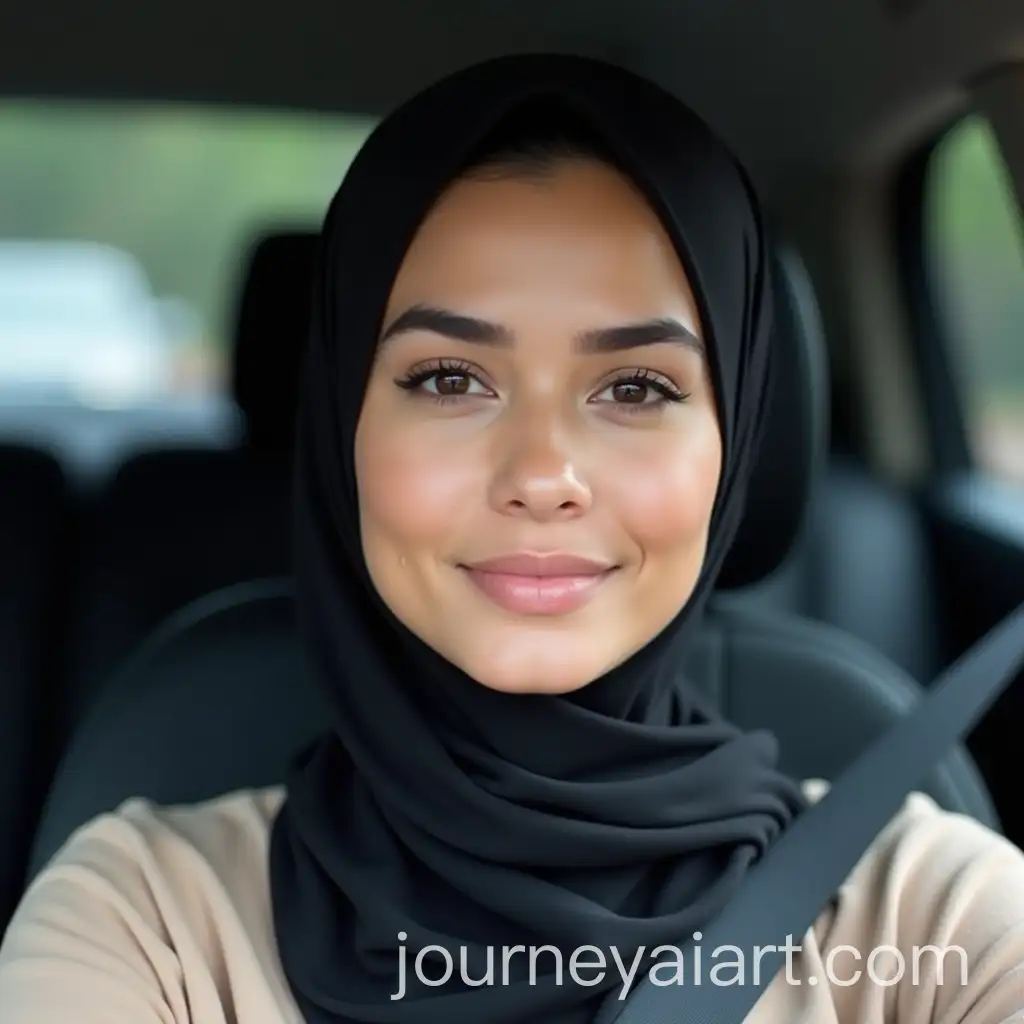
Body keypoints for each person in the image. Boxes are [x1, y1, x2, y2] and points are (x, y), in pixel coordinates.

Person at [2, 53, 1024, 1024]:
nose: (542, 476)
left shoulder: (932, 913)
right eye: (449, 379)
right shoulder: (147, 918)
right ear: (340, 428)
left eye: (635, 387)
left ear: (738, 445)